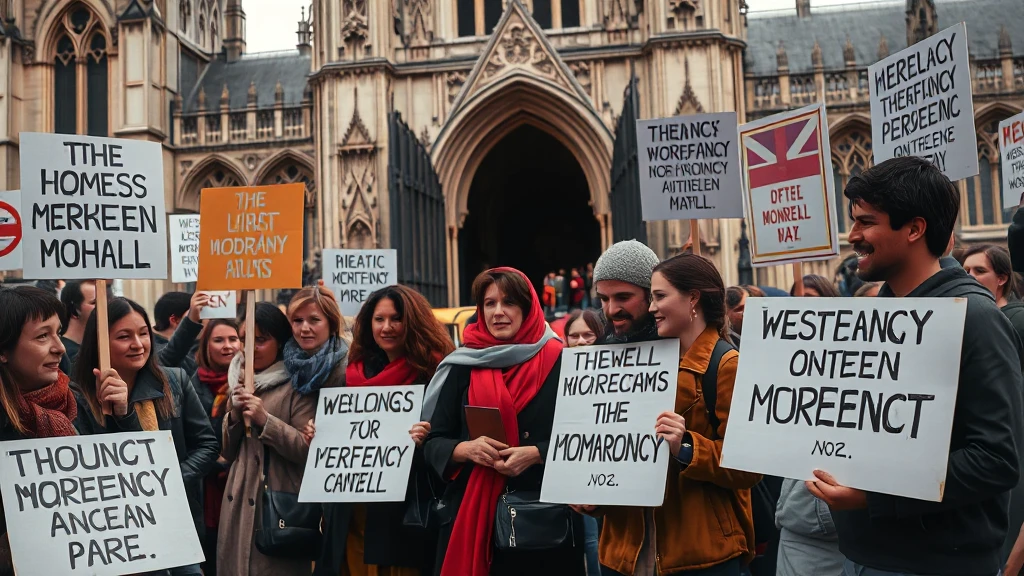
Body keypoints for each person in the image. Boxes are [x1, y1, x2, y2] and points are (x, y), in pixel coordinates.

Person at [809, 156, 1024, 576]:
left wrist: (875, 497)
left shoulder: (976, 319)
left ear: (914, 228)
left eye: (866, 222)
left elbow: (996, 459)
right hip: (860, 558)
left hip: (936, 563)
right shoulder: (870, 318)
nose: (852, 236)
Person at [576, 253, 760, 576]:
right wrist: (593, 496)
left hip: (699, 555)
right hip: (624, 555)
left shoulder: (726, 365)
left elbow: (749, 469)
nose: (651, 307)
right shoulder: (610, 361)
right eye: (602, 299)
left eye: (658, 296)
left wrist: (687, 446)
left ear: (693, 299)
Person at [423, 268, 582, 576]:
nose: (498, 312)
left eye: (508, 302)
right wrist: (465, 450)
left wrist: (537, 453)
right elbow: (434, 442)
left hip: (543, 522)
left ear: (527, 307)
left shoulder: (562, 361)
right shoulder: (462, 365)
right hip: (474, 517)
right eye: (489, 303)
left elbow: (586, 437)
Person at [70, 297, 219, 576]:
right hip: (119, 537)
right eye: (124, 336)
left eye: (143, 333)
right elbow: (103, 471)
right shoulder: (78, 398)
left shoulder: (174, 380)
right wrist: (122, 415)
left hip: (177, 525)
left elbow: (207, 445)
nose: (138, 344)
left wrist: (172, 479)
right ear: (99, 344)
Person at [314, 285, 455, 576]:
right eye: (379, 319)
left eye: (396, 319)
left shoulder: (438, 372)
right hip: (355, 513)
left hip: (405, 514)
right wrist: (321, 434)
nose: (387, 327)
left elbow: (453, 437)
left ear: (413, 322)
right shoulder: (354, 374)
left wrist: (428, 439)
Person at [218, 302, 317, 576]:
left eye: (260, 340)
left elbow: (307, 451)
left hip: (277, 505)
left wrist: (266, 420)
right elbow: (227, 451)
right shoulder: (238, 381)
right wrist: (235, 416)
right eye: (244, 339)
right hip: (238, 501)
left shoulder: (299, 386)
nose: (249, 348)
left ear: (280, 341)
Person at [0, 286, 79, 572]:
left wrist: (123, 417)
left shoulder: (75, 402)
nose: (59, 347)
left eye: (58, 333)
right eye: (43, 336)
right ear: (3, 351)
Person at [193, 319, 241, 576]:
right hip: (207, 489)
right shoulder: (189, 384)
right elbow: (189, 441)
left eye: (233, 339)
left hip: (241, 485)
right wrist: (216, 462)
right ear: (206, 345)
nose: (228, 346)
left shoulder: (251, 383)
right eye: (219, 340)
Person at [563, 307, 606, 576]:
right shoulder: (557, 375)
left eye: (588, 335)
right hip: (574, 471)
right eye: (574, 336)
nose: (580, 342)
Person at [284, 285, 349, 396]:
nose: (304, 328)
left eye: (314, 320)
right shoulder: (282, 365)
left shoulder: (349, 369)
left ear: (332, 325)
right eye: (298, 320)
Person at [592, 239, 661, 344]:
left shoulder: (685, 346)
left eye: (623, 298)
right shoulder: (595, 349)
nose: (612, 310)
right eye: (604, 299)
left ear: (651, 295)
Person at [58, 280, 107, 373]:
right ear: (74, 310)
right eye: (94, 302)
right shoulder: (63, 354)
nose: (104, 307)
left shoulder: (97, 347)